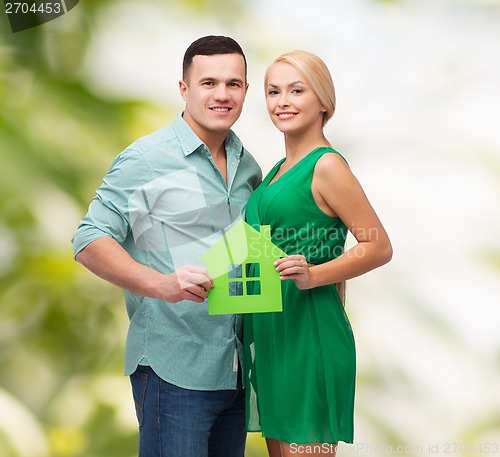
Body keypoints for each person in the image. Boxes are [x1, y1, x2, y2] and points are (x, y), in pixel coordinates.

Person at [72, 35, 262, 457]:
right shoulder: (145, 158)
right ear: (184, 89)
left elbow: (249, 248)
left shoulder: (249, 165)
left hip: (234, 372)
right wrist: (160, 284)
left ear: (246, 91)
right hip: (173, 370)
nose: (222, 94)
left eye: (234, 84)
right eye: (208, 82)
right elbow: (88, 239)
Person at [244, 50, 393, 456]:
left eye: (296, 90)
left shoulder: (326, 167)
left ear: (323, 101)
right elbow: (258, 250)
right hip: (273, 336)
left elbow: (377, 245)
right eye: (273, 91)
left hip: (310, 335)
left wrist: (313, 274)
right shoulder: (275, 171)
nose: (282, 101)